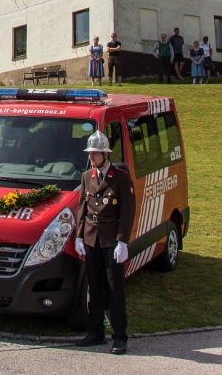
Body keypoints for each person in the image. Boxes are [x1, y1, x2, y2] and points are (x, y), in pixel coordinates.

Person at [75, 131, 135, 355]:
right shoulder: (86, 177)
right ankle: (95, 332)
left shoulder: (120, 177)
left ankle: (119, 337)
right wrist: (79, 236)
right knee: (95, 287)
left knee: (114, 289)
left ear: (105, 154)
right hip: (92, 238)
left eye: (95, 154)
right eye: (90, 154)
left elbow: (127, 212)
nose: (91, 157)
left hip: (111, 239)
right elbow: (82, 209)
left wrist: (123, 241)